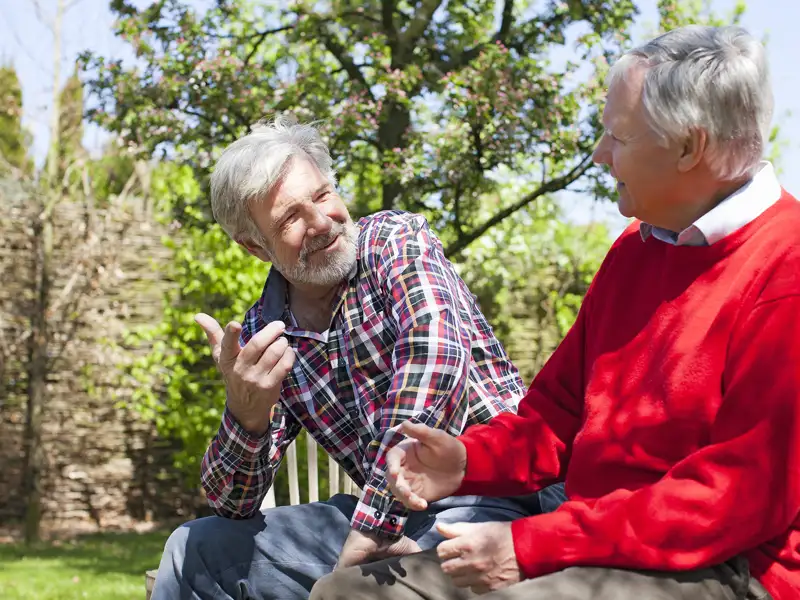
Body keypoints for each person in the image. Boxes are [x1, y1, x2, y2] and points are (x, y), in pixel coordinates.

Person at [309, 24, 800, 600]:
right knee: (348, 593)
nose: (599, 154)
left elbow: (729, 501)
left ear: (690, 147)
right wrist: (466, 461)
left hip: (725, 568)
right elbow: (557, 415)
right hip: (596, 546)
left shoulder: (785, 272)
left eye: (618, 137)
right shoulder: (638, 249)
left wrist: (532, 544)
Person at [149, 114, 566, 600]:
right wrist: (246, 415)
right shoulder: (267, 334)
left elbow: (435, 361)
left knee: (365, 589)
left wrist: (372, 528)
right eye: (289, 218)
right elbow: (231, 503)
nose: (322, 222)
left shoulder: (396, 241)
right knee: (195, 549)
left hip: (502, 497)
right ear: (254, 246)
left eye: (323, 194)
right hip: (387, 523)